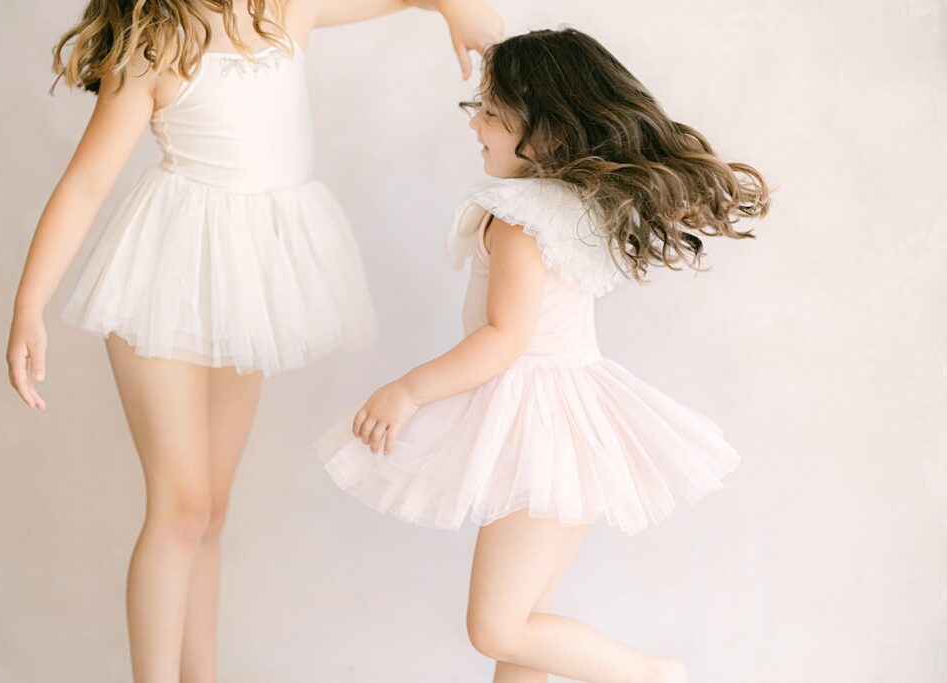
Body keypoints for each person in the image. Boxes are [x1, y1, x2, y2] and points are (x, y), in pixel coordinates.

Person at [5, 1, 502, 680]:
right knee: (181, 506)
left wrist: (453, 8)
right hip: (165, 281)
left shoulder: (284, 11)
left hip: (247, 283)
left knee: (210, 510)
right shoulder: (156, 48)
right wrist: (29, 305)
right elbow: (86, 184)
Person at [316, 27, 770, 683]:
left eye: (490, 112)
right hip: (566, 422)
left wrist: (410, 390)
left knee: (498, 627)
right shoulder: (570, 206)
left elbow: (505, 338)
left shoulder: (520, 217)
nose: (474, 125)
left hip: (540, 426)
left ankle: (652, 676)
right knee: (523, 625)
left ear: (547, 131)